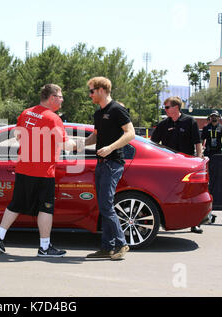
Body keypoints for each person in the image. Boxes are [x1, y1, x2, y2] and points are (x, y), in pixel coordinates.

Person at [0, 84, 78, 257]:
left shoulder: (26, 112)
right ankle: (44, 247)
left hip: (23, 168)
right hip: (43, 171)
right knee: (46, 209)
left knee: (15, 204)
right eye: (60, 97)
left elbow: (17, 135)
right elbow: (66, 144)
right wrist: (83, 144)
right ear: (52, 98)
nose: (62, 100)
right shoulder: (53, 118)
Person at [82, 77, 135, 260]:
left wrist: (111, 147)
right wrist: (78, 144)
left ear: (102, 90)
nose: (89, 95)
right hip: (101, 163)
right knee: (104, 206)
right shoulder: (98, 114)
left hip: (113, 163)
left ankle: (121, 244)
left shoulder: (117, 109)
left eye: (91, 91)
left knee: (106, 205)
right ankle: (107, 248)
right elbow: (94, 138)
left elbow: (131, 133)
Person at [151, 96, 204, 234]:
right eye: (165, 107)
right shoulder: (163, 124)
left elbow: (197, 142)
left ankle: (195, 223)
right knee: (167, 194)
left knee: (191, 194)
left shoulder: (190, 121)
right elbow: (152, 144)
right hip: (168, 167)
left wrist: (199, 159)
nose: (165, 110)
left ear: (176, 107)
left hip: (187, 166)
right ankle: (165, 221)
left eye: (167, 107)